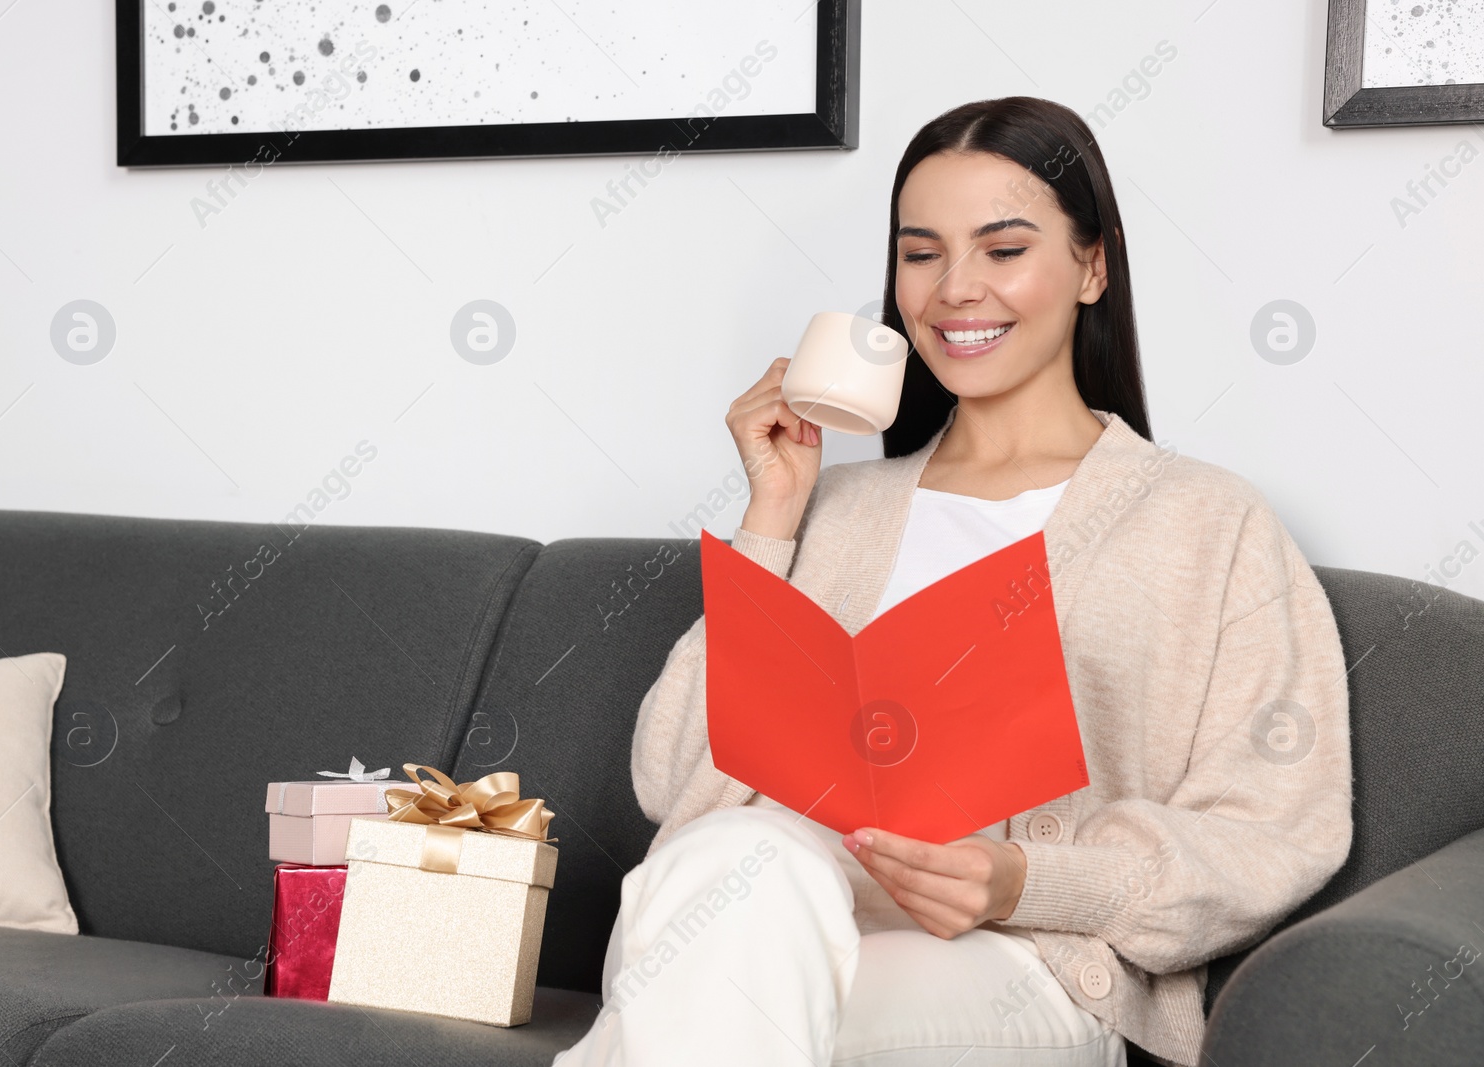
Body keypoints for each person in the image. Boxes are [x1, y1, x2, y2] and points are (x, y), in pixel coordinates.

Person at [554, 96, 1353, 1067]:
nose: (952, 289)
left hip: (1021, 961)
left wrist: (1025, 879)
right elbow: (671, 780)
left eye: (1003, 248)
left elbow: (1275, 832)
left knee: (705, 989)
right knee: (739, 869)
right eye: (921, 252)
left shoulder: (1208, 523)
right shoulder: (832, 505)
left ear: (1091, 265)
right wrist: (768, 516)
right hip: (775, 904)